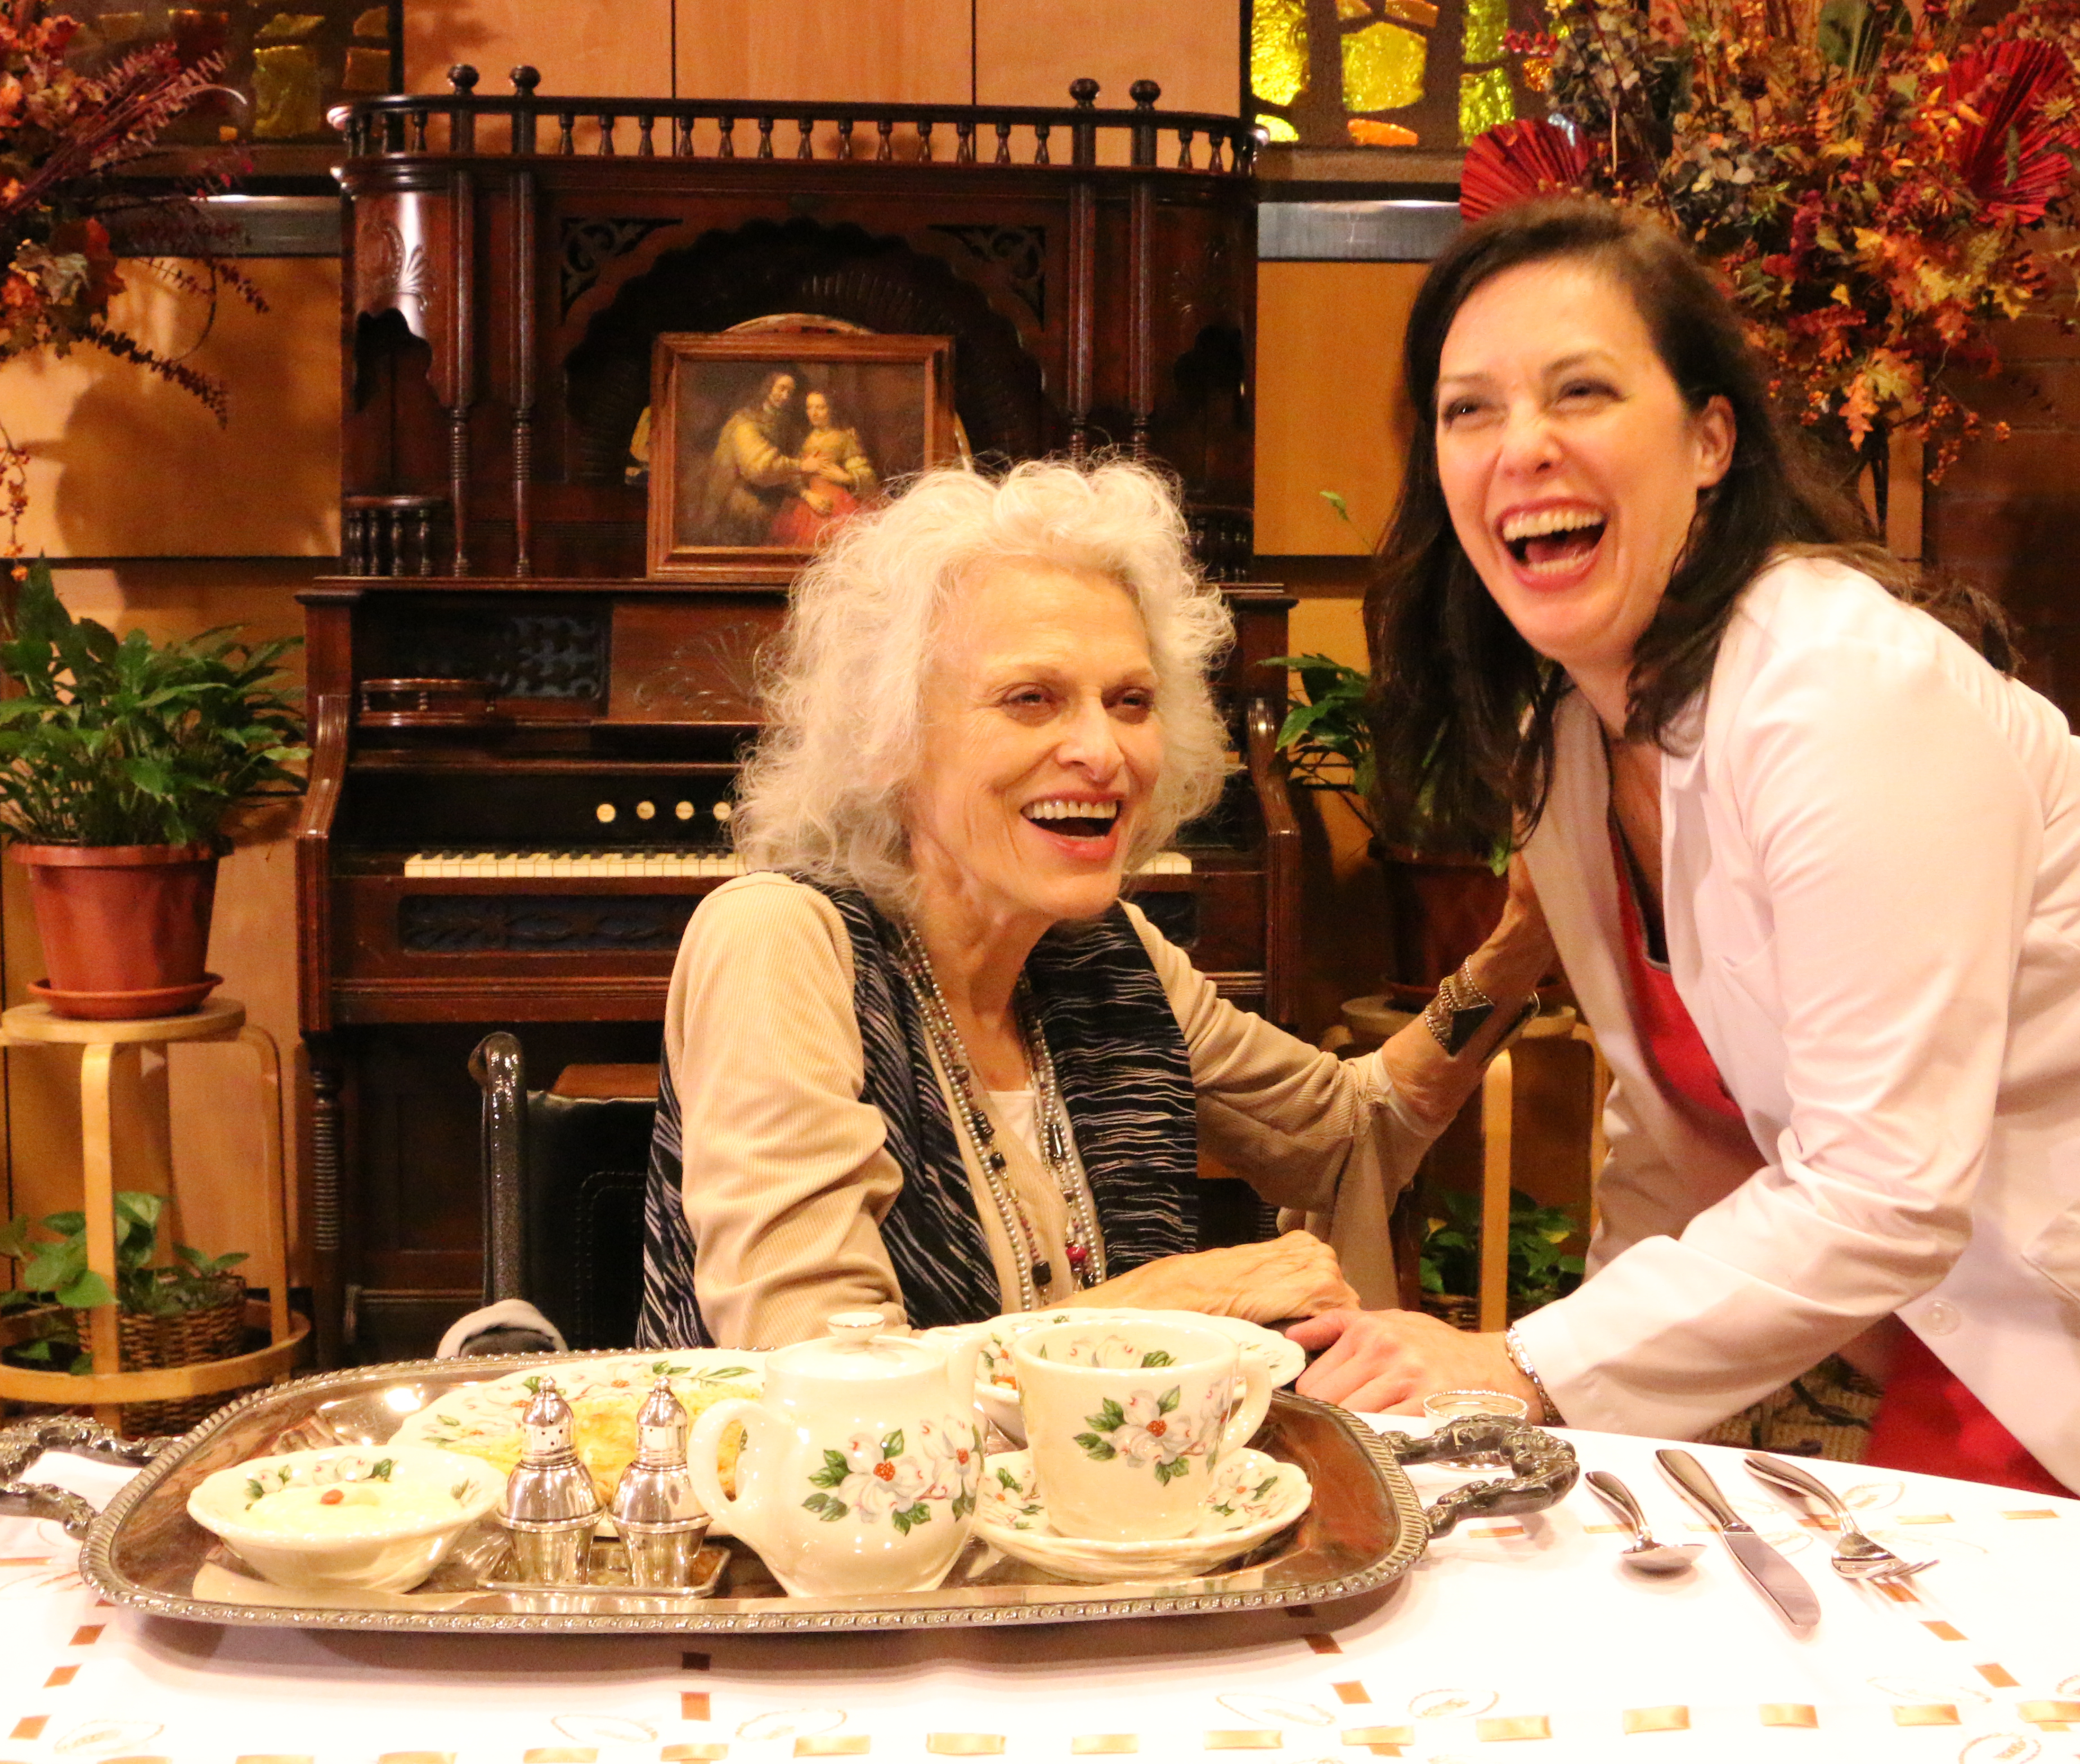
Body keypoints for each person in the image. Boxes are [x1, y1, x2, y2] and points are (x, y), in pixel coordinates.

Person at [1291, 195, 2080, 1586]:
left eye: (1580, 390)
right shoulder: (1568, 751)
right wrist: (1567, 1435)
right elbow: (1676, 1138)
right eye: (1466, 411)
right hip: (2006, 1304)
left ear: (1710, 440)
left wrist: (1519, 1363)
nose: (1519, 446)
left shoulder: (1838, 685)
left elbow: (1881, 1191)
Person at [637, 458, 1557, 1349]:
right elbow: (820, 1376)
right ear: (890, 739)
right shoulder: (781, 941)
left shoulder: (1104, 953)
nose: (1101, 751)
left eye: (1129, 700)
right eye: (1031, 698)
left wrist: (1519, 945)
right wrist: (1159, 1308)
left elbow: (1352, 1127)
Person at [694, 370, 809, 544]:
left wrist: (805, 490)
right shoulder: (745, 421)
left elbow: (796, 458)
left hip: (775, 494)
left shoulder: (788, 425)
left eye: (790, 393)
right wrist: (801, 465)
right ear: (768, 388)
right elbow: (760, 468)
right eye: (781, 389)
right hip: (741, 494)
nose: (785, 396)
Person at [772, 385, 880, 548]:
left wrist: (846, 477)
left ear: (831, 409)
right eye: (810, 408)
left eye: (820, 408)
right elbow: (794, 474)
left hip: (837, 504)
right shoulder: (803, 440)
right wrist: (808, 495)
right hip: (809, 503)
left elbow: (864, 472)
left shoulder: (843, 438)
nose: (814, 413)